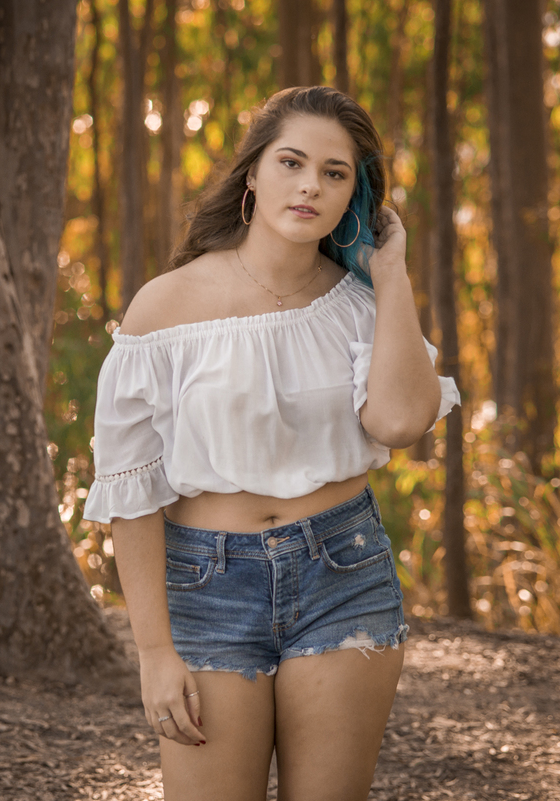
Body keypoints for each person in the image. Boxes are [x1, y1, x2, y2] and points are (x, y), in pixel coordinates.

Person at [82, 86, 460, 801]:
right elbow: (132, 487)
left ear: (358, 193)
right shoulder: (164, 306)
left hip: (342, 573)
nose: (311, 184)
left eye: (336, 172)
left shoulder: (361, 305)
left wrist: (390, 270)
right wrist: (154, 652)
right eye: (291, 162)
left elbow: (403, 421)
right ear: (253, 172)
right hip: (208, 584)